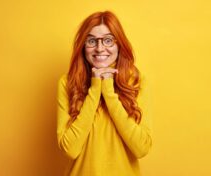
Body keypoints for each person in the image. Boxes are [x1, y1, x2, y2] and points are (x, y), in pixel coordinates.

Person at [57, 10, 152, 176]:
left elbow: (141, 148)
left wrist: (108, 90)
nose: (100, 48)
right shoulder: (67, 83)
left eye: (108, 40)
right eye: (92, 41)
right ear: (83, 46)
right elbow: (70, 149)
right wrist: (95, 89)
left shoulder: (136, 81)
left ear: (119, 44)